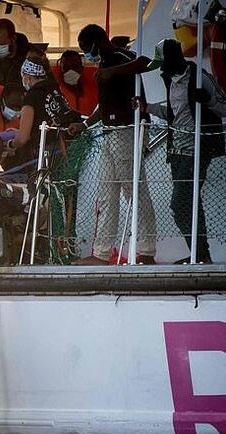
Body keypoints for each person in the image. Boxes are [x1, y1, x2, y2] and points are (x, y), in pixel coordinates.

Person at [70, 23, 157, 265]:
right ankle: (101, 253)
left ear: (98, 42)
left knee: (134, 192)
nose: (86, 53)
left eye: (86, 48)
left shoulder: (118, 56)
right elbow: (104, 104)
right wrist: (86, 125)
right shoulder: (104, 62)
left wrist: (113, 72)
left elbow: (145, 62)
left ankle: (146, 250)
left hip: (127, 131)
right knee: (107, 194)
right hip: (110, 131)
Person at [140, 38, 226, 264]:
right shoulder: (170, 80)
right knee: (189, 205)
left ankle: (200, 254)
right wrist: (146, 107)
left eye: (163, 64)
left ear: (172, 59)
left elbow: (224, 106)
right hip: (176, 151)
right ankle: (200, 254)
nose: (161, 70)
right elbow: (173, 112)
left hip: (198, 149)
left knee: (179, 203)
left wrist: (207, 101)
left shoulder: (200, 78)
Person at [4, 51, 81, 164]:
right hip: (70, 150)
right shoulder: (56, 90)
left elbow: (23, 139)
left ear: (28, 77)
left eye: (23, 77)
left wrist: (10, 144)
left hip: (48, 157)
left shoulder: (32, 96)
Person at [56, 50, 98, 117]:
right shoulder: (55, 91)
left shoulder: (94, 89)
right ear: (61, 69)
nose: (70, 71)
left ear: (81, 68)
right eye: (66, 67)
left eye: (75, 67)